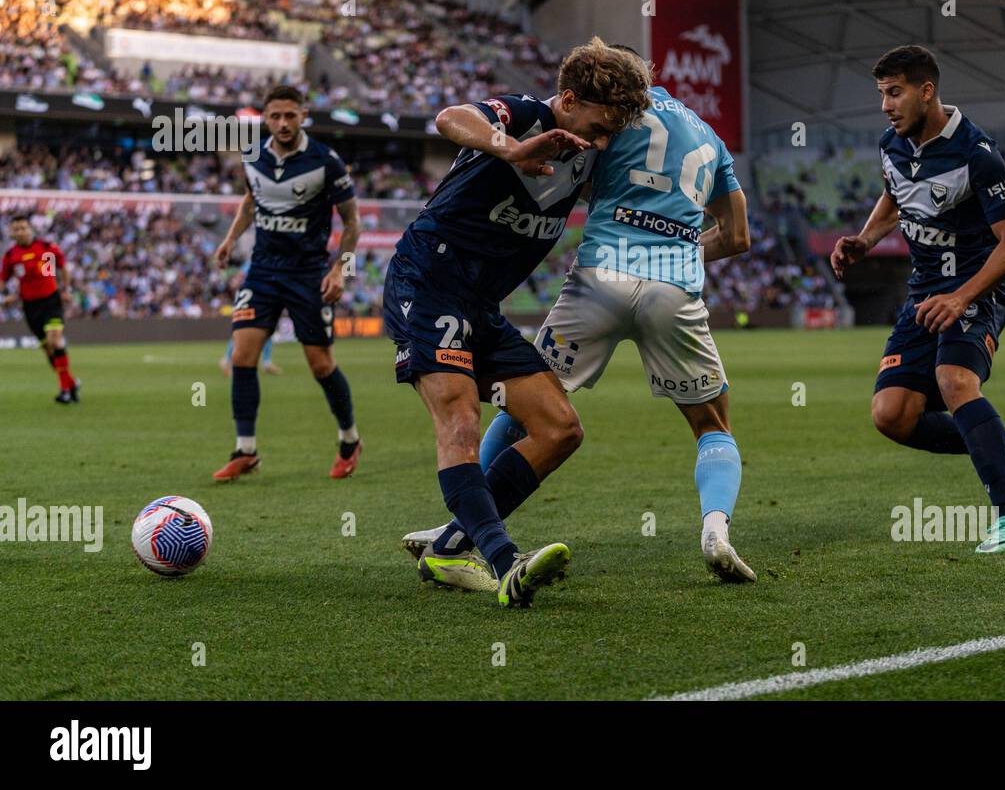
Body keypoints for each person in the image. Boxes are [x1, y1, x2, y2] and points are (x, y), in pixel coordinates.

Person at [405, 60, 756, 584]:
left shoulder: (614, 120)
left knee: (529, 406)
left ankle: (460, 531)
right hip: (674, 288)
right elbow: (737, 237)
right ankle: (716, 531)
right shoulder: (711, 138)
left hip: (599, 278)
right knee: (712, 425)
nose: (603, 134)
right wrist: (677, 252)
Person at [383, 36, 652, 607]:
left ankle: (450, 547)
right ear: (568, 98)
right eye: (598, 126)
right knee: (460, 418)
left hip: (480, 307)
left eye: (611, 133)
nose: (603, 142)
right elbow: (450, 117)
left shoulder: (594, 151)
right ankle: (507, 564)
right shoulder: (526, 114)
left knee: (560, 430)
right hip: (430, 280)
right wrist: (509, 148)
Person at [831, 45, 1005, 554]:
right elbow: (894, 195)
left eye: (895, 92)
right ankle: (1002, 443)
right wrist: (865, 238)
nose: (886, 104)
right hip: (924, 292)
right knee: (892, 415)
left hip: (976, 288)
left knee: (953, 381)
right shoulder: (892, 145)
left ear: (927, 91)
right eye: (882, 93)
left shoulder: (977, 153)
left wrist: (961, 297)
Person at [210, 85, 363, 481]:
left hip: (308, 274)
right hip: (262, 270)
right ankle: (245, 449)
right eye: (275, 116)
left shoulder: (326, 161)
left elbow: (351, 223)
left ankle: (349, 438)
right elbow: (250, 200)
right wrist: (230, 239)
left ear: (303, 115)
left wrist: (339, 270)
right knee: (243, 356)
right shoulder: (253, 157)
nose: (282, 123)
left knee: (320, 363)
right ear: (265, 118)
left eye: (290, 115)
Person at [1, 215, 80, 403]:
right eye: (16, 229)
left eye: (23, 228)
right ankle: (70, 383)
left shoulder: (46, 248)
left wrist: (66, 290)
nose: (20, 231)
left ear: (30, 229)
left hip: (50, 302)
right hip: (30, 306)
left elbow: (61, 269)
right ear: (11, 232)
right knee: (48, 349)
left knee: (55, 340)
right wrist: (7, 297)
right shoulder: (11, 256)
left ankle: (65, 391)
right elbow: (3, 280)